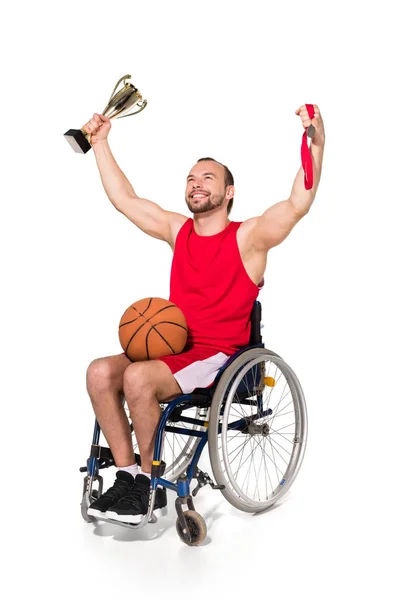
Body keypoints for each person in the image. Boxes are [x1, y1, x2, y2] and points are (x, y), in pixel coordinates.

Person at [85, 105, 325, 523]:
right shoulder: (178, 231)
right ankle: (126, 475)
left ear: (228, 192)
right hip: (175, 346)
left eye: (208, 178)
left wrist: (316, 141)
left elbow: (297, 203)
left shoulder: (249, 237)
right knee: (100, 372)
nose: (197, 184)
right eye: (191, 179)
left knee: (138, 377)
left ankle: (148, 483)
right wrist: (101, 143)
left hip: (219, 356)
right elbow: (125, 200)